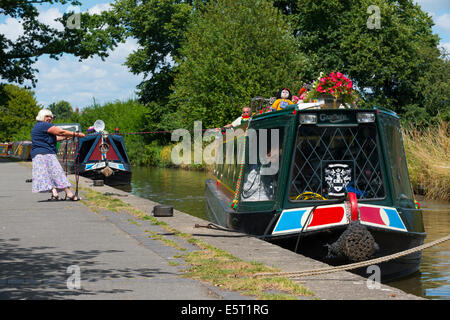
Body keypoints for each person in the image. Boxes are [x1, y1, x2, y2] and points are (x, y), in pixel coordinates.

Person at [31, 109, 86, 201]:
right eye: (47, 116)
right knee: (57, 172)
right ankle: (69, 193)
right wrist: (76, 134)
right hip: (46, 153)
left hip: (37, 154)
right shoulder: (45, 125)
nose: (49, 118)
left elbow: (54, 138)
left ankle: (54, 194)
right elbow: (60, 132)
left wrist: (67, 137)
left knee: (47, 175)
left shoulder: (37, 126)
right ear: (42, 116)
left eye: (50, 117)